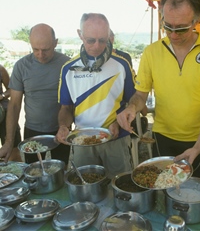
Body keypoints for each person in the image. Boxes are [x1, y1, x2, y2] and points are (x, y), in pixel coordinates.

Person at [117, 0, 200, 183]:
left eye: (182, 28)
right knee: (165, 192)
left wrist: (198, 146)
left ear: (196, 21)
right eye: (167, 26)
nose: (174, 34)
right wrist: (132, 107)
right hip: (163, 138)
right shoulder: (151, 52)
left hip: (199, 139)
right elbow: (140, 95)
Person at [56, 13, 136, 179]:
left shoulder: (121, 65)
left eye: (103, 40)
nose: (97, 46)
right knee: (85, 186)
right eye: (91, 40)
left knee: (120, 184)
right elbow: (65, 107)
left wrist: (119, 124)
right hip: (82, 142)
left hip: (116, 139)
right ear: (80, 35)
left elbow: (133, 102)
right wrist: (63, 126)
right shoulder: (68, 69)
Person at [0, 24, 71, 165]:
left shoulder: (67, 65)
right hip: (33, 131)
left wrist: (66, 126)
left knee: (61, 170)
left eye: (45, 50)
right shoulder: (21, 66)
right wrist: (8, 142)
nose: (40, 55)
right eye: (35, 49)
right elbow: (14, 105)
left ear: (55, 43)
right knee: (33, 171)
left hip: (62, 130)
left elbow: (72, 102)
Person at [0, 65, 22, 162]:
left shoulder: (0, 69)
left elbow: (11, 90)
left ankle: (16, 174)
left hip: (4, 114)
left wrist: (2, 96)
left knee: (13, 152)